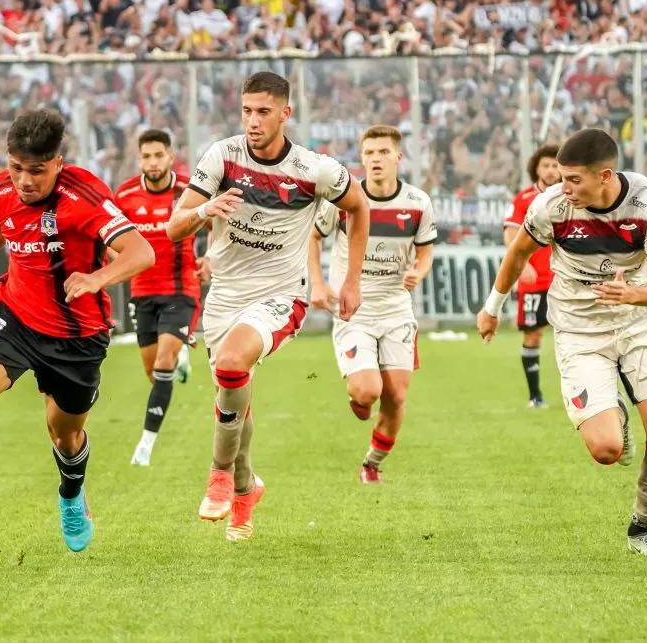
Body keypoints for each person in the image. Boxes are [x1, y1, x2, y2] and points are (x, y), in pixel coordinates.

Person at [0, 111, 154, 559]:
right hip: (14, 314)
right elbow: (1, 219)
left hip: (77, 335)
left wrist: (98, 278)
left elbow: (141, 251)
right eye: (17, 168)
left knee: (64, 435)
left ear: (57, 163)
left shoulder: (85, 196)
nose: (25, 180)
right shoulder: (1, 187)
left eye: (36, 171)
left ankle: (72, 495)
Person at [167, 71, 370, 541]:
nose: (253, 121)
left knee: (235, 365)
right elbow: (174, 229)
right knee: (234, 397)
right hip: (224, 297)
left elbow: (358, 207)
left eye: (262, 111)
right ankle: (244, 492)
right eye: (246, 111)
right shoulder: (222, 156)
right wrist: (203, 211)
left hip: (281, 295)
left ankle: (218, 477)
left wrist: (351, 280)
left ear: (285, 113)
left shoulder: (314, 169)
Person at [477, 129, 647, 557]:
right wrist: (492, 306)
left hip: (641, 322)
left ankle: (643, 528)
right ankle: (616, 415)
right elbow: (517, 253)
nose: (564, 187)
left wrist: (634, 293)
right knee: (607, 449)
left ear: (605, 176)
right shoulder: (551, 205)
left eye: (574, 179)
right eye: (561, 177)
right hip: (578, 329)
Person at [309, 125, 436, 484]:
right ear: (361, 158)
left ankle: (372, 463)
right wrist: (318, 283)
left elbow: (426, 252)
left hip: (397, 310)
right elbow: (313, 238)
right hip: (354, 309)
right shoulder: (345, 200)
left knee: (395, 396)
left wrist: (419, 271)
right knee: (368, 391)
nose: (376, 159)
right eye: (369, 153)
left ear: (398, 156)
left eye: (383, 152)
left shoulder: (417, 202)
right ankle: (360, 395)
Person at [114, 129, 206, 466]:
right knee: (155, 372)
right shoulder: (124, 194)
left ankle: (145, 445)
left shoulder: (188, 190)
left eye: (159, 155)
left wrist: (209, 258)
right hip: (142, 292)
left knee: (163, 362)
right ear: (139, 159)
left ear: (170, 157)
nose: (153, 162)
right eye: (146, 156)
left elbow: (217, 224)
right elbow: (110, 236)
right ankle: (180, 356)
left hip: (181, 290)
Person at [503, 144, 560, 408]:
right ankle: (535, 396)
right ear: (536, 169)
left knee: (574, 334)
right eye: (545, 165)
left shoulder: (569, 196)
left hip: (564, 279)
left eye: (555, 165)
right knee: (533, 335)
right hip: (535, 280)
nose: (550, 170)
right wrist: (520, 262)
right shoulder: (524, 199)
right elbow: (510, 234)